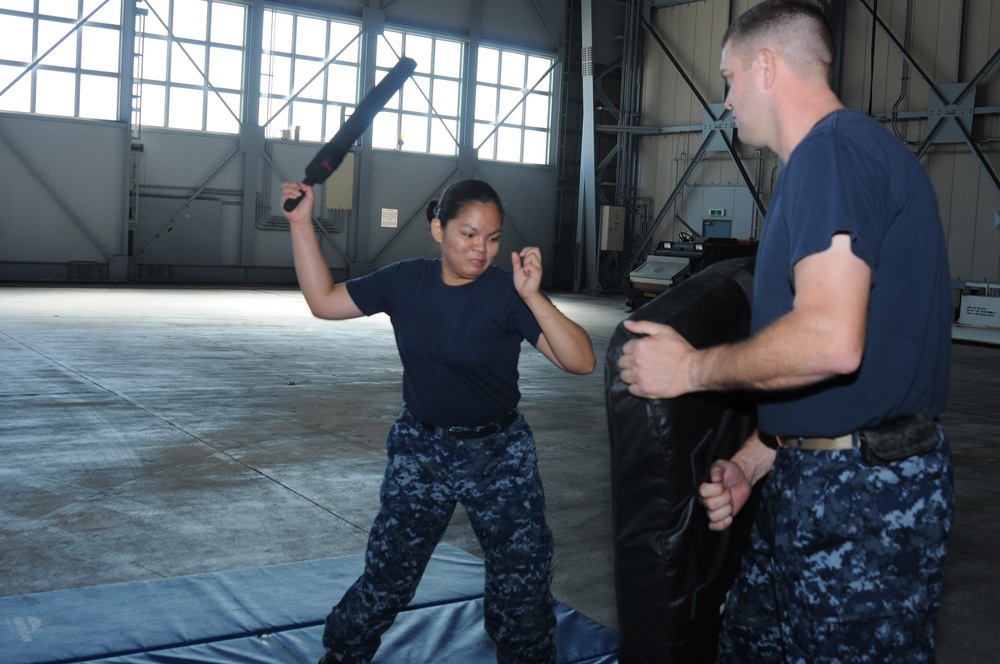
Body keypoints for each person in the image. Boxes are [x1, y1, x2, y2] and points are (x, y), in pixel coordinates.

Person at [617, 1, 953, 661]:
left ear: (764, 67)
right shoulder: (840, 158)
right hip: (816, 482)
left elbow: (829, 341)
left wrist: (688, 370)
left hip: (860, 506)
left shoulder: (832, 152)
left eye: (728, 77)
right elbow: (857, 371)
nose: (725, 98)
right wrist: (751, 460)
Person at [280, 177, 596, 664]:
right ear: (437, 229)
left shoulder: (506, 291)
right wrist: (302, 223)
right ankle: (343, 654)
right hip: (423, 453)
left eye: (492, 238)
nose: (482, 249)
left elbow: (580, 362)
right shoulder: (405, 281)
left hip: (500, 456)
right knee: (388, 578)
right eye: (468, 234)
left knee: (523, 585)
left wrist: (533, 297)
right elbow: (323, 301)